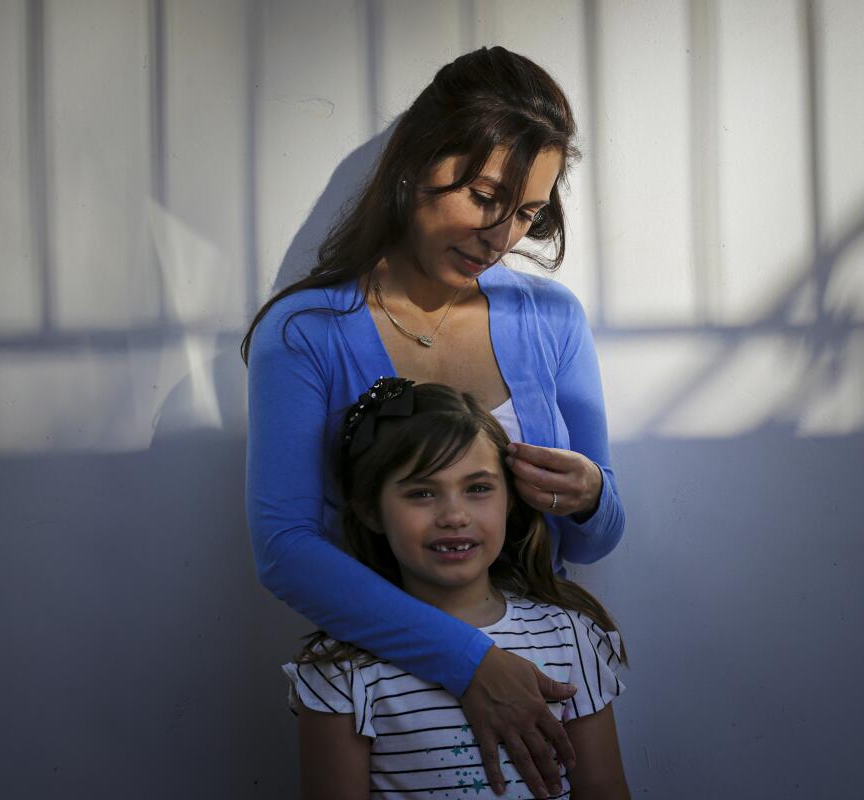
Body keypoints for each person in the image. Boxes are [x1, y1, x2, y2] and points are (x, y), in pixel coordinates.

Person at [244, 46, 625, 797]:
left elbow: (595, 539)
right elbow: (284, 549)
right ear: (418, 163)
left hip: (546, 678)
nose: (502, 236)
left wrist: (590, 495)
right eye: (486, 196)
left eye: (527, 212)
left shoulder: (551, 318)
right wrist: (472, 662)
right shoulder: (307, 332)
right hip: (390, 680)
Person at [282, 379, 629, 799]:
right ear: (372, 511)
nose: (454, 515)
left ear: (510, 500)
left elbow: (604, 789)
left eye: (478, 488)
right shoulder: (339, 669)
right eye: (422, 492)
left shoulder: (570, 637)